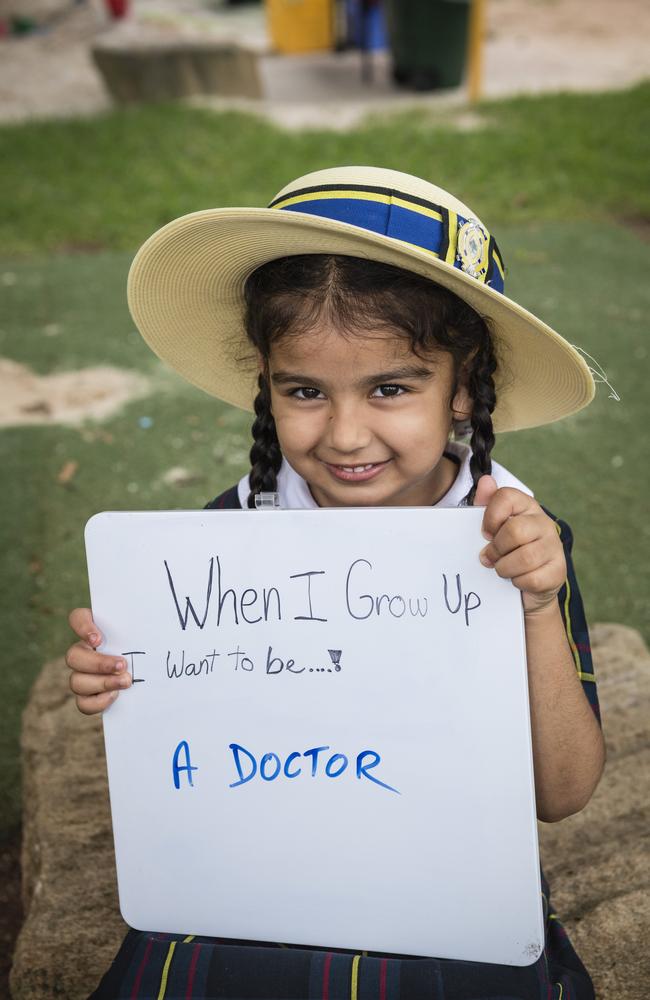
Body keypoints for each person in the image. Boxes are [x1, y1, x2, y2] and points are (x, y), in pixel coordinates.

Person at [65, 166, 605, 999]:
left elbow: (563, 794)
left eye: (391, 387)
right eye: (305, 390)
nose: (346, 434)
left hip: (449, 898)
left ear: (463, 388)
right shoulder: (212, 548)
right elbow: (189, 759)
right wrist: (126, 682)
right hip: (245, 897)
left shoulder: (522, 544)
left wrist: (534, 606)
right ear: (266, 383)